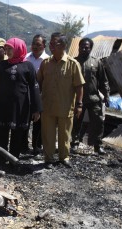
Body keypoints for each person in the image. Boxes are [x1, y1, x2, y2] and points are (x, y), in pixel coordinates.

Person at [37, 32, 85, 169]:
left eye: (54, 43)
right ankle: (49, 159)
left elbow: (79, 86)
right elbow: (39, 82)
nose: (51, 46)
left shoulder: (73, 64)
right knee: (48, 135)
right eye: (50, 43)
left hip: (66, 107)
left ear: (63, 46)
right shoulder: (45, 63)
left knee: (65, 135)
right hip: (48, 107)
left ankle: (64, 157)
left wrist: (79, 105)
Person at [0, 37, 42, 159]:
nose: (7, 51)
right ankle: (1, 160)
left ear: (19, 49)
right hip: (3, 106)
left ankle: (14, 160)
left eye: (10, 48)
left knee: (17, 135)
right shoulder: (3, 65)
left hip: (21, 107)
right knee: (2, 134)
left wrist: (36, 109)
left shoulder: (28, 66)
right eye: (6, 48)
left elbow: (34, 88)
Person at [72, 37, 110, 155]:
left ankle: (97, 145)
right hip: (78, 99)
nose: (84, 49)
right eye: (82, 46)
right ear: (78, 47)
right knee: (76, 122)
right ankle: (74, 143)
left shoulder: (97, 62)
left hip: (93, 98)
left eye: (86, 47)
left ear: (90, 48)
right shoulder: (73, 62)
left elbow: (104, 81)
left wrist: (107, 95)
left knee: (98, 122)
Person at [25, 34, 50, 155]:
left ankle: (36, 146)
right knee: (24, 122)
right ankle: (23, 145)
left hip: (40, 96)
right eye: (33, 43)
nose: (35, 46)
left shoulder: (48, 60)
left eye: (38, 44)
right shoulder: (26, 58)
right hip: (26, 95)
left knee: (38, 123)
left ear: (44, 46)